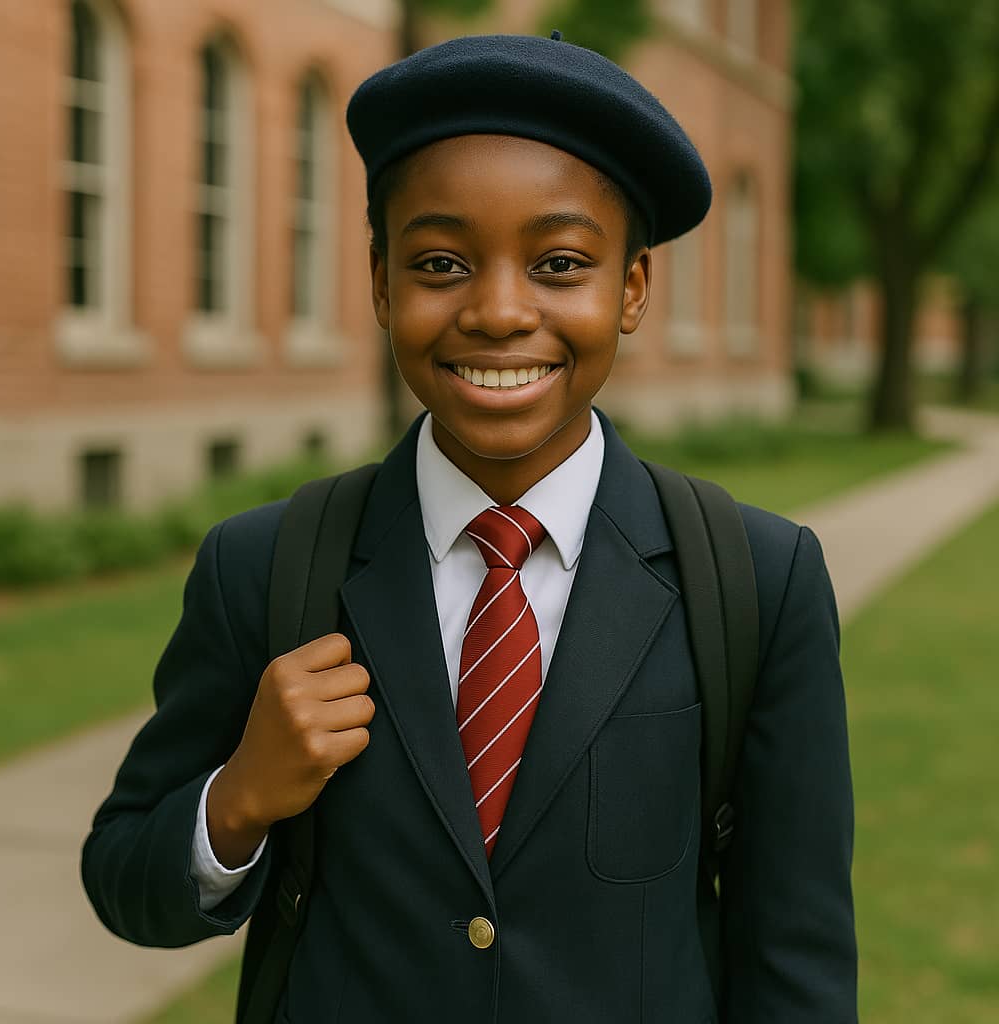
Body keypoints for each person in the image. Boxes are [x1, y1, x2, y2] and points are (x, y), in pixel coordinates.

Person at [82, 32, 857, 1022]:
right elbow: (122, 878)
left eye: (559, 263)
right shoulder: (264, 567)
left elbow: (797, 962)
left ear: (631, 287)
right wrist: (236, 800)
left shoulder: (756, 581)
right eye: (441, 261)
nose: (497, 311)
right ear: (379, 280)